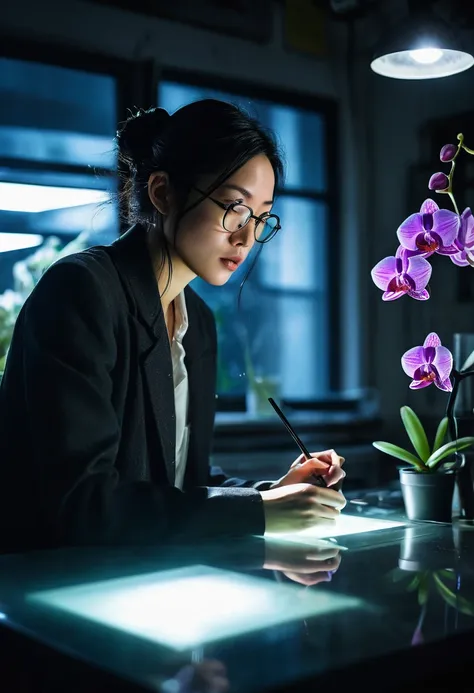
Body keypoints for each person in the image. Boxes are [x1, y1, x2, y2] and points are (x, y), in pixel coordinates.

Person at [0, 99, 345, 552]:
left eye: (260, 217)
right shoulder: (81, 291)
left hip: (142, 584)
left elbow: (183, 479)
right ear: (162, 192)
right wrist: (258, 512)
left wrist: (273, 492)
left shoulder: (197, 322)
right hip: (47, 587)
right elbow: (85, 507)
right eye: (233, 208)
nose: (246, 237)